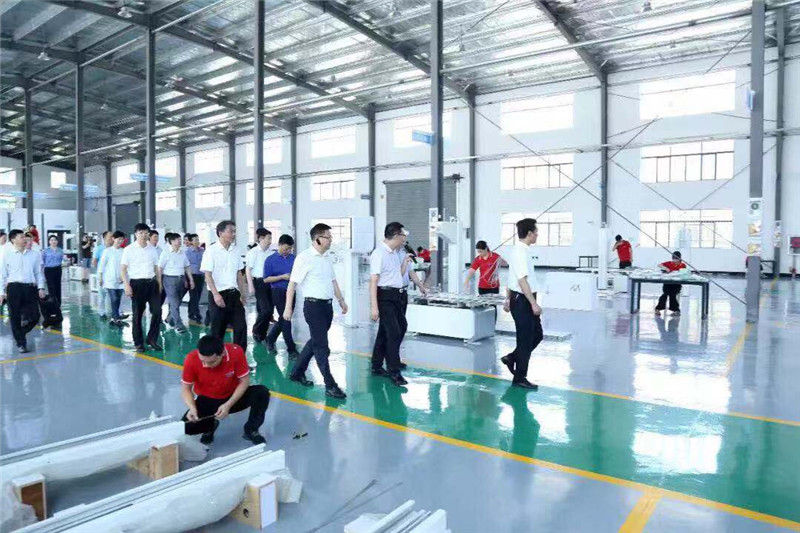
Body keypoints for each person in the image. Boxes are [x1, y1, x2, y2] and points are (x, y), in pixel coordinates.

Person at [284, 223, 349, 399]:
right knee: (322, 347)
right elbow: (292, 284)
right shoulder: (304, 258)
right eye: (328, 237)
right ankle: (330, 385)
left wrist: (341, 301)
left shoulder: (326, 257)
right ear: (318, 239)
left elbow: (333, 281)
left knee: (315, 341)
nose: (331, 240)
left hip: (327, 307)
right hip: (313, 307)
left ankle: (297, 372)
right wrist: (288, 308)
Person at [181, 335, 270, 445]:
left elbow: (244, 381)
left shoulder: (236, 352)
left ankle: (251, 430)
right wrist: (192, 408)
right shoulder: (191, 359)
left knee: (261, 393)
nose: (206, 365)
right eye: (202, 361)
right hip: (208, 400)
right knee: (185, 428)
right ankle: (210, 426)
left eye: (211, 362)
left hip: (234, 397)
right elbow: (186, 388)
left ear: (222, 353)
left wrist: (228, 404)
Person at [369, 222, 417, 387]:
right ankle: (394, 371)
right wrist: (374, 307)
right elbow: (373, 281)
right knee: (395, 332)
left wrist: (404, 263)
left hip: (396, 295)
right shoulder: (379, 254)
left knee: (390, 330)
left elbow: (397, 275)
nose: (405, 239)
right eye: (403, 235)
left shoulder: (395, 253)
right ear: (396, 236)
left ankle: (376, 365)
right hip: (385, 297)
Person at [501, 218, 543, 390]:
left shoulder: (523, 251)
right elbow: (521, 280)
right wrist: (533, 304)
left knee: (537, 335)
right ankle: (519, 378)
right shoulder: (520, 252)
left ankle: (512, 357)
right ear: (529, 233)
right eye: (536, 232)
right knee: (525, 339)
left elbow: (511, 276)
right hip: (522, 300)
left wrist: (507, 298)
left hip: (521, 297)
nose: (537, 235)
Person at [201, 220, 250, 360]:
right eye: (230, 231)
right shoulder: (211, 251)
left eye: (234, 231)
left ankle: (238, 359)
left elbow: (239, 274)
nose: (233, 234)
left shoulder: (236, 250)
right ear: (220, 233)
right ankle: (216, 359)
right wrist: (216, 295)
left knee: (241, 328)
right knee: (218, 330)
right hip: (218, 295)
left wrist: (243, 294)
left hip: (234, 295)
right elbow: (208, 275)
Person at [0, 229, 46, 353]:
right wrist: (1, 292)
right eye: (21, 237)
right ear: (13, 240)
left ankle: (20, 333)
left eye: (24, 237)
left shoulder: (34, 255)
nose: (24, 239)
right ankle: (21, 343)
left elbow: (38, 273)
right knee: (14, 316)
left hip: (30, 288)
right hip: (13, 288)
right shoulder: (7, 255)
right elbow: (2, 275)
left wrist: (41, 287)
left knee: (35, 316)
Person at [120, 223, 163, 352]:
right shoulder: (129, 249)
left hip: (152, 283)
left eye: (145, 233)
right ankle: (138, 342)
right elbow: (123, 269)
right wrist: (126, 285)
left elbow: (156, 267)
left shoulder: (152, 249)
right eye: (140, 233)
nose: (143, 235)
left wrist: (159, 283)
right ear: (136, 234)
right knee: (137, 314)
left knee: (157, 311)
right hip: (137, 284)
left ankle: (152, 339)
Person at [264, 234, 297, 356]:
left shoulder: (294, 259)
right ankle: (291, 349)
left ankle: (270, 339)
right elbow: (266, 279)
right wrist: (282, 277)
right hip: (277, 291)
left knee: (284, 319)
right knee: (286, 320)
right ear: (279, 245)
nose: (288, 251)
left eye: (290, 249)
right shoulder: (270, 260)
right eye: (286, 248)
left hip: (291, 291)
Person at [159, 233, 194, 333]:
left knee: (177, 301)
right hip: (169, 280)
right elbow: (160, 268)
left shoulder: (182, 253)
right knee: (174, 302)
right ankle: (178, 325)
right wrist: (159, 283)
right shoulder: (165, 252)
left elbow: (187, 267)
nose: (180, 241)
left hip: (181, 279)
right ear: (172, 241)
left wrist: (190, 280)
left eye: (180, 239)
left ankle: (170, 317)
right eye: (177, 240)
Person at [246, 228, 274, 343]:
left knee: (268, 310)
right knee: (265, 310)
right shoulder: (253, 252)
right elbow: (248, 270)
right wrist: (250, 286)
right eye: (269, 238)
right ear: (261, 238)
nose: (270, 241)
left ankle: (262, 334)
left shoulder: (271, 253)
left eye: (271, 238)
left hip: (270, 282)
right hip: (259, 283)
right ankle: (256, 330)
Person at [98, 231, 127, 327]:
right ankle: (116, 318)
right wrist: (100, 277)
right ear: (113, 239)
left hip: (121, 280)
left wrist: (124, 277)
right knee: (114, 298)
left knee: (118, 299)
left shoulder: (124, 251)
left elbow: (126, 266)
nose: (120, 241)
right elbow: (102, 265)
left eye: (122, 239)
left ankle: (114, 317)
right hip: (109, 280)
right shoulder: (107, 251)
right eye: (119, 239)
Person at [655, 251, 687, 316]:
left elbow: (683, 274)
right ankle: (658, 309)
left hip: (676, 284)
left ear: (679, 259)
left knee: (672, 295)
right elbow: (659, 265)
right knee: (665, 294)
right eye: (673, 259)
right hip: (668, 283)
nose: (675, 261)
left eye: (676, 259)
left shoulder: (683, 265)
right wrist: (665, 268)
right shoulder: (669, 263)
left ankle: (676, 310)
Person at [93, 231, 113, 318]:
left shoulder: (113, 248)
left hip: (111, 275)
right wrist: (100, 271)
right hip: (102, 275)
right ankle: (101, 312)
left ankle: (113, 312)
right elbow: (94, 261)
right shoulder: (99, 248)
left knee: (112, 294)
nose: (112, 238)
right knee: (102, 294)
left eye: (112, 236)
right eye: (110, 237)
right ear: (104, 238)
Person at [42, 235, 64, 304]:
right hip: (48, 270)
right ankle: (53, 303)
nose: (53, 241)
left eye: (55, 240)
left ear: (57, 241)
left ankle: (58, 303)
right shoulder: (46, 250)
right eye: (51, 240)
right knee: (51, 286)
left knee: (58, 286)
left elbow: (61, 259)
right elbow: (43, 260)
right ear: (49, 242)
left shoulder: (60, 250)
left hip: (58, 269)